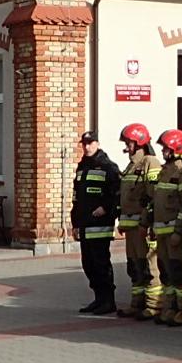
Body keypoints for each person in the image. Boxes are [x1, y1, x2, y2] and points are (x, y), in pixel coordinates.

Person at [69, 131, 124, 314]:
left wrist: (106, 208)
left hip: (100, 225)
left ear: (97, 144)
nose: (86, 147)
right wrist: (75, 223)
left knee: (101, 264)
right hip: (85, 225)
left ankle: (109, 301)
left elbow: (118, 193)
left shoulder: (108, 167)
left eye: (90, 143)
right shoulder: (82, 167)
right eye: (84, 144)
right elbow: (76, 198)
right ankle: (98, 298)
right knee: (88, 265)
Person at [114, 123, 161, 321]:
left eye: (129, 142)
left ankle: (153, 305)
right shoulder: (131, 165)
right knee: (134, 265)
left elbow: (153, 195)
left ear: (139, 142)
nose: (126, 145)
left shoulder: (150, 162)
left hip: (143, 227)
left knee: (149, 266)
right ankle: (137, 303)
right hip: (131, 226)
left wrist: (147, 222)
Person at [152, 129, 182, 326]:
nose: (163, 152)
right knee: (166, 270)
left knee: (181, 271)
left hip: (175, 234)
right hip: (162, 233)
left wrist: (179, 232)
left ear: (177, 149)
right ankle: (170, 306)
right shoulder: (163, 172)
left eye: (166, 148)